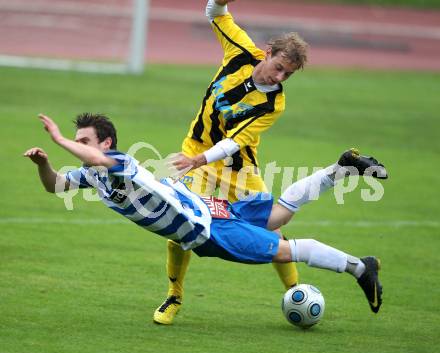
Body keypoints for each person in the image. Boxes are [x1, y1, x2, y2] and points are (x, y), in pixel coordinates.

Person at [24, 113, 386, 317]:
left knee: (281, 247)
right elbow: (54, 185)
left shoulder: (119, 162)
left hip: (204, 228)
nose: (79, 146)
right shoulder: (91, 176)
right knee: (278, 215)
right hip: (204, 208)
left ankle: (359, 267)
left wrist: (58, 139)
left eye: (83, 141)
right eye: (76, 140)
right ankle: (342, 168)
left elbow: (97, 160)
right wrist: (45, 163)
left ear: (105, 143)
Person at [156, 0, 310, 324]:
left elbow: (233, 142)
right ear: (268, 52)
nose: (279, 76)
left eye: (288, 74)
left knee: (273, 229)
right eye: (278, 66)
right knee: (181, 226)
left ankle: (298, 292)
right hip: (195, 149)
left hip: (238, 167)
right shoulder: (240, 49)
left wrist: (197, 160)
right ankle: (174, 295)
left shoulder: (273, 103)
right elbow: (215, 13)